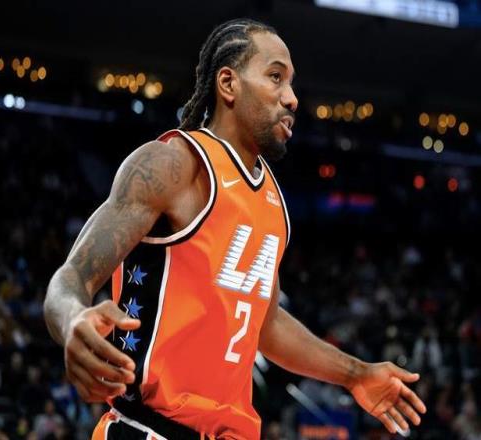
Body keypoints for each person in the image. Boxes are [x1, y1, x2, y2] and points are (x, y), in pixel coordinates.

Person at [44, 18, 427, 440]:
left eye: (291, 83)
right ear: (228, 83)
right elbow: (70, 278)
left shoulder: (274, 202)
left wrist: (356, 374)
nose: (292, 98)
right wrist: (73, 320)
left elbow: (267, 324)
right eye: (276, 77)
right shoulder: (173, 164)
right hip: (151, 429)